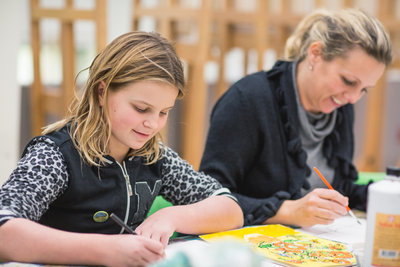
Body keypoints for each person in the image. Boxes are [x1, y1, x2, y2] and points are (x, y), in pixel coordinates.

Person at [0, 31, 243, 266]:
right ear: (102, 92)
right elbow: (4, 230)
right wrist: (108, 249)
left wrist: (171, 216)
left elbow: (229, 208)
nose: (152, 124)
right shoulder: (55, 155)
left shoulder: (155, 157)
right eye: (141, 108)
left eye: (164, 112)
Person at [199, 9, 392, 228]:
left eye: (364, 90)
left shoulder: (339, 105)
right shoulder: (248, 100)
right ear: (316, 54)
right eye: (348, 81)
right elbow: (206, 197)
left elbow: (339, 190)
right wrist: (287, 210)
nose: (353, 98)